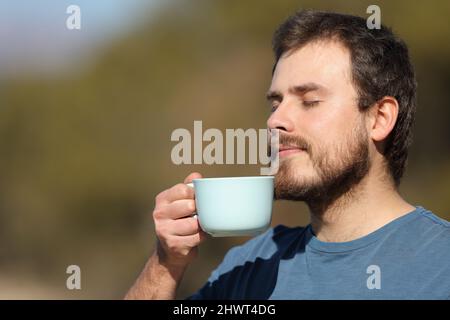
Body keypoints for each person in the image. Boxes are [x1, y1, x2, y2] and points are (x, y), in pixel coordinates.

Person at [125, 10, 450, 300]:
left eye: (309, 100)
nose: (275, 120)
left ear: (379, 119)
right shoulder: (250, 266)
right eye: (275, 103)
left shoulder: (440, 265)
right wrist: (166, 262)